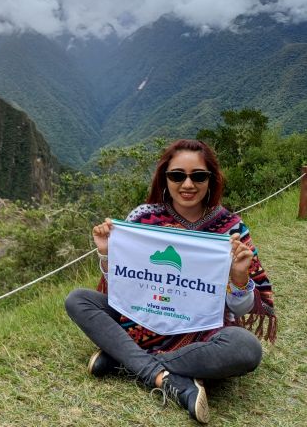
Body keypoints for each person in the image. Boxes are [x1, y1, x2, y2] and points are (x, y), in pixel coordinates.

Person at [64, 139, 276, 424]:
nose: (187, 184)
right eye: (177, 175)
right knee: (78, 299)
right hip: (141, 320)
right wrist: (106, 252)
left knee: (246, 348)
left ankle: (123, 360)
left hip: (201, 330)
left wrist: (239, 276)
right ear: (164, 177)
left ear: (211, 179)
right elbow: (126, 286)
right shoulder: (143, 218)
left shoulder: (231, 230)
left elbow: (239, 310)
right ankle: (167, 378)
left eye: (198, 176)